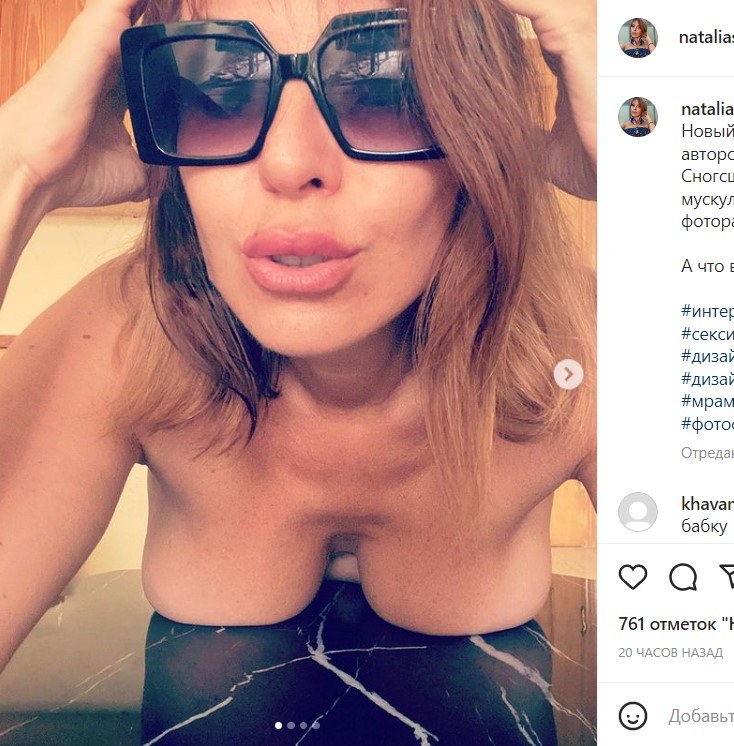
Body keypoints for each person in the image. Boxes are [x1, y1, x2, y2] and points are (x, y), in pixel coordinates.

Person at [0, 0, 596, 675]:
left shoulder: (583, 345)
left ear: (482, 128)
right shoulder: (125, 330)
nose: (288, 164)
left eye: (384, 84)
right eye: (219, 90)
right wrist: (17, 173)